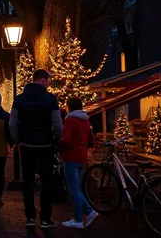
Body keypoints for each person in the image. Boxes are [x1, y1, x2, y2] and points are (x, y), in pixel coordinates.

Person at [10, 69, 63, 229]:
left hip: (26, 146)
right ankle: (46, 218)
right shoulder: (51, 99)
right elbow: (57, 124)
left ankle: (30, 217)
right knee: (46, 182)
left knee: (28, 182)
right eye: (48, 81)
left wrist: (17, 141)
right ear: (42, 80)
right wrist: (55, 139)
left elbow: (12, 124)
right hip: (46, 145)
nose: (48, 84)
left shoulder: (19, 99)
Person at [58, 97, 99, 229]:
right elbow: (91, 141)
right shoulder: (85, 120)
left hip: (71, 156)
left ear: (69, 106)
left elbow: (67, 140)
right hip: (82, 157)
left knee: (73, 189)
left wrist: (57, 143)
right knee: (77, 188)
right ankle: (85, 214)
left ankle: (80, 217)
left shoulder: (70, 120)